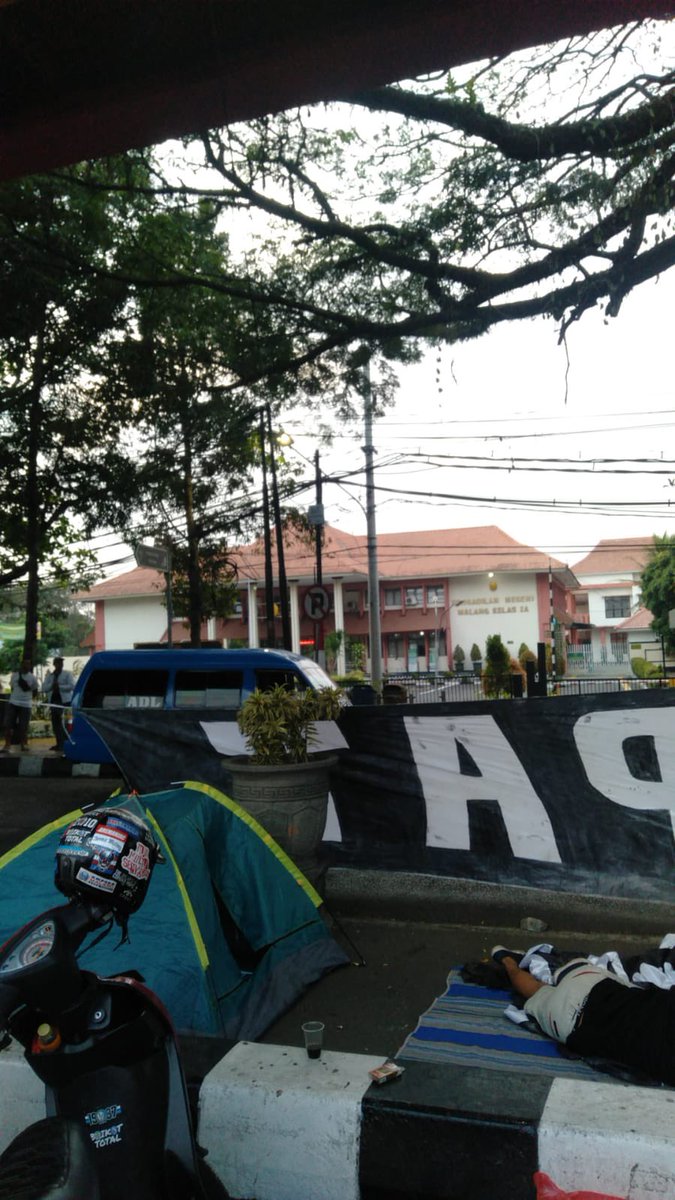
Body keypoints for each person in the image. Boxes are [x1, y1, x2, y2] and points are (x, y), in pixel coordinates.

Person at [492, 945, 675, 1087]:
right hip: (571, 1020)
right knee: (535, 990)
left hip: (595, 983)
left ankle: (509, 960)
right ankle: (509, 964)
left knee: (559, 977)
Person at [2, 658, 38, 754]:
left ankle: (23, 744)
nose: (26, 666)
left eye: (28, 664)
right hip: (13, 703)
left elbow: (35, 690)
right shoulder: (14, 675)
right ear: (21, 665)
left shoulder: (32, 678)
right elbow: (12, 687)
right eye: (24, 664)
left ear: (30, 666)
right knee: (8, 725)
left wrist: (28, 699)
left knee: (23, 726)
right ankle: (7, 745)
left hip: (26, 705)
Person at [42, 657, 75, 752]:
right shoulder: (50, 676)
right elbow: (44, 688)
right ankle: (59, 743)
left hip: (66, 702)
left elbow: (72, 686)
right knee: (56, 724)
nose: (60, 665)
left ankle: (66, 743)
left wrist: (59, 687)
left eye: (61, 663)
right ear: (54, 664)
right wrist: (52, 686)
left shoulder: (67, 674)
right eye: (58, 663)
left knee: (66, 723)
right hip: (54, 702)